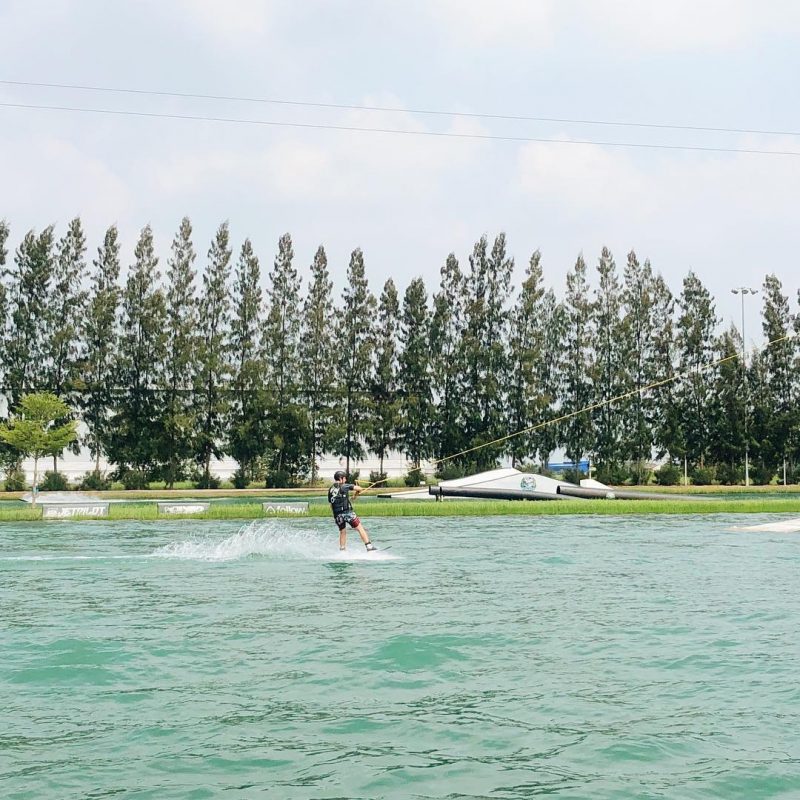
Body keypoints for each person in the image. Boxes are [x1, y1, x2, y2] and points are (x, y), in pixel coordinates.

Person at [328, 470, 377, 552]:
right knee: (360, 528)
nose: (345, 480)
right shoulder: (344, 486)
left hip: (337, 515)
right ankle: (369, 547)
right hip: (347, 513)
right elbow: (359, 488)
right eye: (344, 478)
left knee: (342, 531)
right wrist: (356, 494)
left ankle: (342, 550)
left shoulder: (330, 489)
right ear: (341, 478)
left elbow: (331, 503)